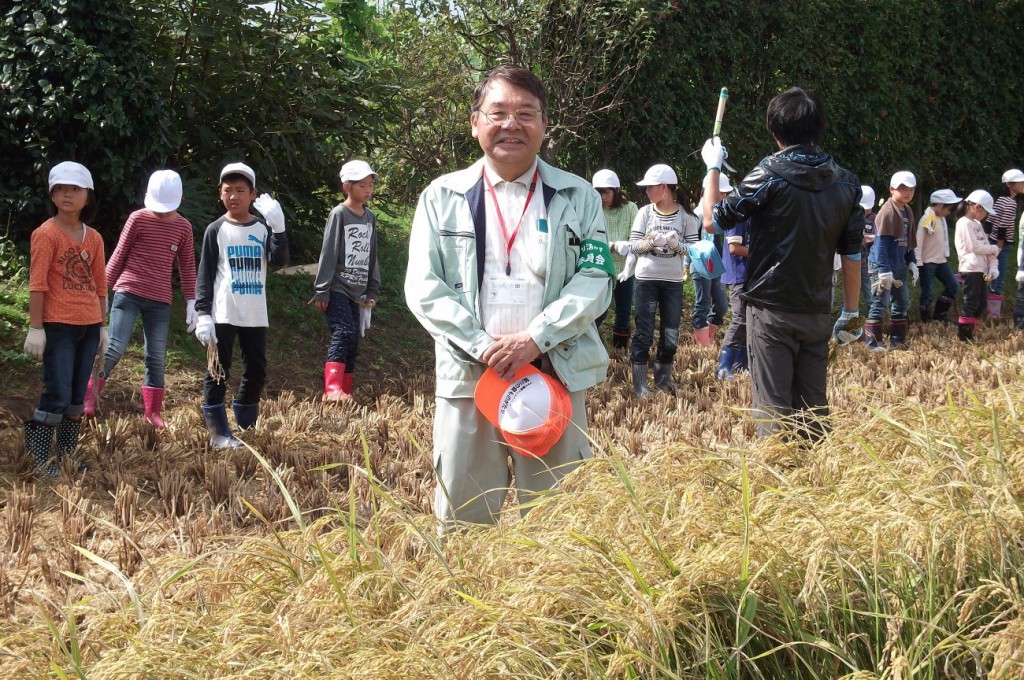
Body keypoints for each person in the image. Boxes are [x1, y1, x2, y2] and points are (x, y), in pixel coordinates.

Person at [404, 65, 612, 531]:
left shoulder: (578, 196)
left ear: (544, 126)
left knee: (560, 523)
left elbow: (596, 277)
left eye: (525, 113)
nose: (511, 124)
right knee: (463, 518)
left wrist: (536, 338)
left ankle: (557, 604)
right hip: (472, 377)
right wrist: (483, 346)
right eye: (497, 112)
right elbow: (422, 286)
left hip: (553, 371)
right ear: (475, 121)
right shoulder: (441, 197)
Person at [701, 86, 863, 440]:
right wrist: (852, 312)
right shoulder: (848, 184)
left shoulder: (768, 175)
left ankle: (781, 485)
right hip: (818, 309)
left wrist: (713, 169)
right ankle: (818, 480)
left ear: (775, 132)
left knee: (773, 407)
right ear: (819, 128)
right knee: (813, 408)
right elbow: (852, 254)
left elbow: (713, 219)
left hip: (771, 309)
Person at [85, 170, 198, 428]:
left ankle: (153, 413)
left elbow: (188, 266)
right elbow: (119, 254)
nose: (160, 213)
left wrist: (192, 300)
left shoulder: (183, 227)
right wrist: (101, 292)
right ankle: (88, 398)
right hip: (128, 292)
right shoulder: (137, 219)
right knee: (114, 347)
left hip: (160, 300)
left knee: (156, 355)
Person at [194, 163, 289, 447]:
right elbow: (205, 272)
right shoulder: (216, 229)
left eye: (240, 190)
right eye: (228, 191)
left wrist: (279, 229)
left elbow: (279, 261)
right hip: (223, 312)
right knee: (217, 369)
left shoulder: (261, 227)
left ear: (253, 194)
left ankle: (246, 423)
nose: (234, 196)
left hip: (254, 312)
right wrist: (202, 313)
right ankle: (218, 432)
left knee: (256, 369)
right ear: (220, 194)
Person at [23, 162, 108, 476]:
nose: (67, 194)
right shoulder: (45, 234)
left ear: (87, 195)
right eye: (60, 188)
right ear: (52, 194)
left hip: (88, 324)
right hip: (58, 325)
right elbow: (38, 283)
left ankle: (68, 456)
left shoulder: (95, 239)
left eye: (75, 189)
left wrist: (103, 326)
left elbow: (100, 284)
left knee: (75, 394)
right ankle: (42, 458)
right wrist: (36, 327)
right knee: (57, 390)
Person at [612, 164, 691, 397]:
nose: (646, 191)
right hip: (646, 280)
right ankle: (639, 385)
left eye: (650, 187)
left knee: (671, 334)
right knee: (643, 332)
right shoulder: (644, 213)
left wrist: (677, 245)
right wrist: (650, 243)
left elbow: (696, 251)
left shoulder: (686, 217)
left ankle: (663, 379)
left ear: (664, 187)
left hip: (673, 282)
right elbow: (633, 246)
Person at [309, 160, 381, 401]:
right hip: (338, 286)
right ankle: (332, 388)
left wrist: (372, 289)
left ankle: (345, 389)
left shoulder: (369, 217)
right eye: (362, 185)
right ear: (347, 186)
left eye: (370, 185)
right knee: (343, 331)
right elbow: (328, 252)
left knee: (354, 342)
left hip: (358, 291)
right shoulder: (339, 214)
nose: (368, 190)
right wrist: (322, 290)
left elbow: (372, 255)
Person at [865, 171, 918, 350]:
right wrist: (884, 270)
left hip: (898, 264)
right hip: (882, 265)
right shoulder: (887, 212)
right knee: (880, 303)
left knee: (902, 303)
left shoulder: (907, 211)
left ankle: (898, 341)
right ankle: (873, 343)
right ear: (892, 189)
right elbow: (880, 244)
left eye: (911, 189)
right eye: (903, 188)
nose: (907, 192)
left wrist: (912, 261)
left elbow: (909, 241)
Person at [591, 169, 638, 349]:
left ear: (616, 191)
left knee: (623, 310)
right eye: (598, 192)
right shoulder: (593, 210)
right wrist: (612, 245)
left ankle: (620, 349)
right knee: (597, 311)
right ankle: (590, 345)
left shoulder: (631, 209)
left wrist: (627, 247)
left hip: (625, 269)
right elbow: (589, 237)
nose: (602, 196)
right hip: (600, 268)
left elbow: (636, 238)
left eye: (606, 192)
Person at [955, 190, 999, 342]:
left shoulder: (978, 224)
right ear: (978, 207)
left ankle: (972, 331)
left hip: (981, 269)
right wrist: (994, 248)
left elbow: (986, 247)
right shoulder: (963, 223)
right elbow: (975, 247)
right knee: (971, 302)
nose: (987, 216)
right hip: (970, 268)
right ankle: (964, 338)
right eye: (986, 212)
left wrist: (993, 267)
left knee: (981, 304)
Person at [691, 178, 728, 348]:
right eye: (721, 192)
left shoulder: (721, 214)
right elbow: (690, 241)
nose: (724, 196)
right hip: (700, 265)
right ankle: (703, 344)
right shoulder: (698, 214)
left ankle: (708, 333)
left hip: (717, 265)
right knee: (703, 303)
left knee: (721, 305)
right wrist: (686, 264)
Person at [915, 189, 962, 323]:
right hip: (927, 262)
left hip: (941, 260)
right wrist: (918, 262)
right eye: (949, 209)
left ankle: (940, 316)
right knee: (928, 292)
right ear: (940, 205)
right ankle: (926, 321)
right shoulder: (927, 218)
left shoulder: (941, 219)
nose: (949, 212)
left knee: (953, 285)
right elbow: (918, 242)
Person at [717, 206, 750, 381]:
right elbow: (734, 248)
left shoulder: (754, 215)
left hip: (751, 275)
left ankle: (741, 364)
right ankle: (724, 366)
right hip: (738, 275)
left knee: (749, 320)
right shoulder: (738, 215)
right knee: (740, 319)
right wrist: (762, 253)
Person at [989, 169, 1023, 299]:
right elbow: (1002, 227)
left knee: (992, 274)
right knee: (998, 277)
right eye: (1020, 183)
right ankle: (993, 310)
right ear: (1009, 185)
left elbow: (990, 221)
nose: (1022, 185)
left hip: (993, 240)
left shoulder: (1000, 199)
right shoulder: (1010, 203)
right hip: (1001, 243)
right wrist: (999, 248)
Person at [859, 185, 877, 309]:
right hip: (853, 260)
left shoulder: (875, 219)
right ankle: (845, 317)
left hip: (868, 263)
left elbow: (881, 237)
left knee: (869, 292)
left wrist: (873, 238)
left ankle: (875, 317)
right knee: (848, 293)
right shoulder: (852, 217)